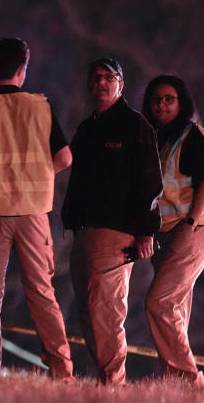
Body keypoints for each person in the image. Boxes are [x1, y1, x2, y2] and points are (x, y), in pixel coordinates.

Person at [0, 37, 74, 379]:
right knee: (42, 294)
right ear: (23, 68)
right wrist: (32, 174)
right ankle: (62, 371)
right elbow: (65, 157)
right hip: (33, 213)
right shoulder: (40, 107)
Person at [61, 57, 163, 385]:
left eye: (108, 77)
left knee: (106, 312)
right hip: (84, 232)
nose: (101, 83)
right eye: (95, 77)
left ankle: (114, 386)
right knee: (88, 313)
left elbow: (151, 182)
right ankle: (106, 381)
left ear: (121, 84)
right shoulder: (87, 129)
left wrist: (147, 230)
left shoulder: (135, 126)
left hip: (117, 233)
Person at [140, 75, 204, 388]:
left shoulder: (193, 135)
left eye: (169, 98)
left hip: (193, 231)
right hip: (164, 236)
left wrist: (190, 224)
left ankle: (188, 380)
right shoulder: (156, 139)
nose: (161, 105)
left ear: (182, 102)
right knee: (175, 310)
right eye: (156, 99)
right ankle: (174, 383)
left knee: (159, 303)